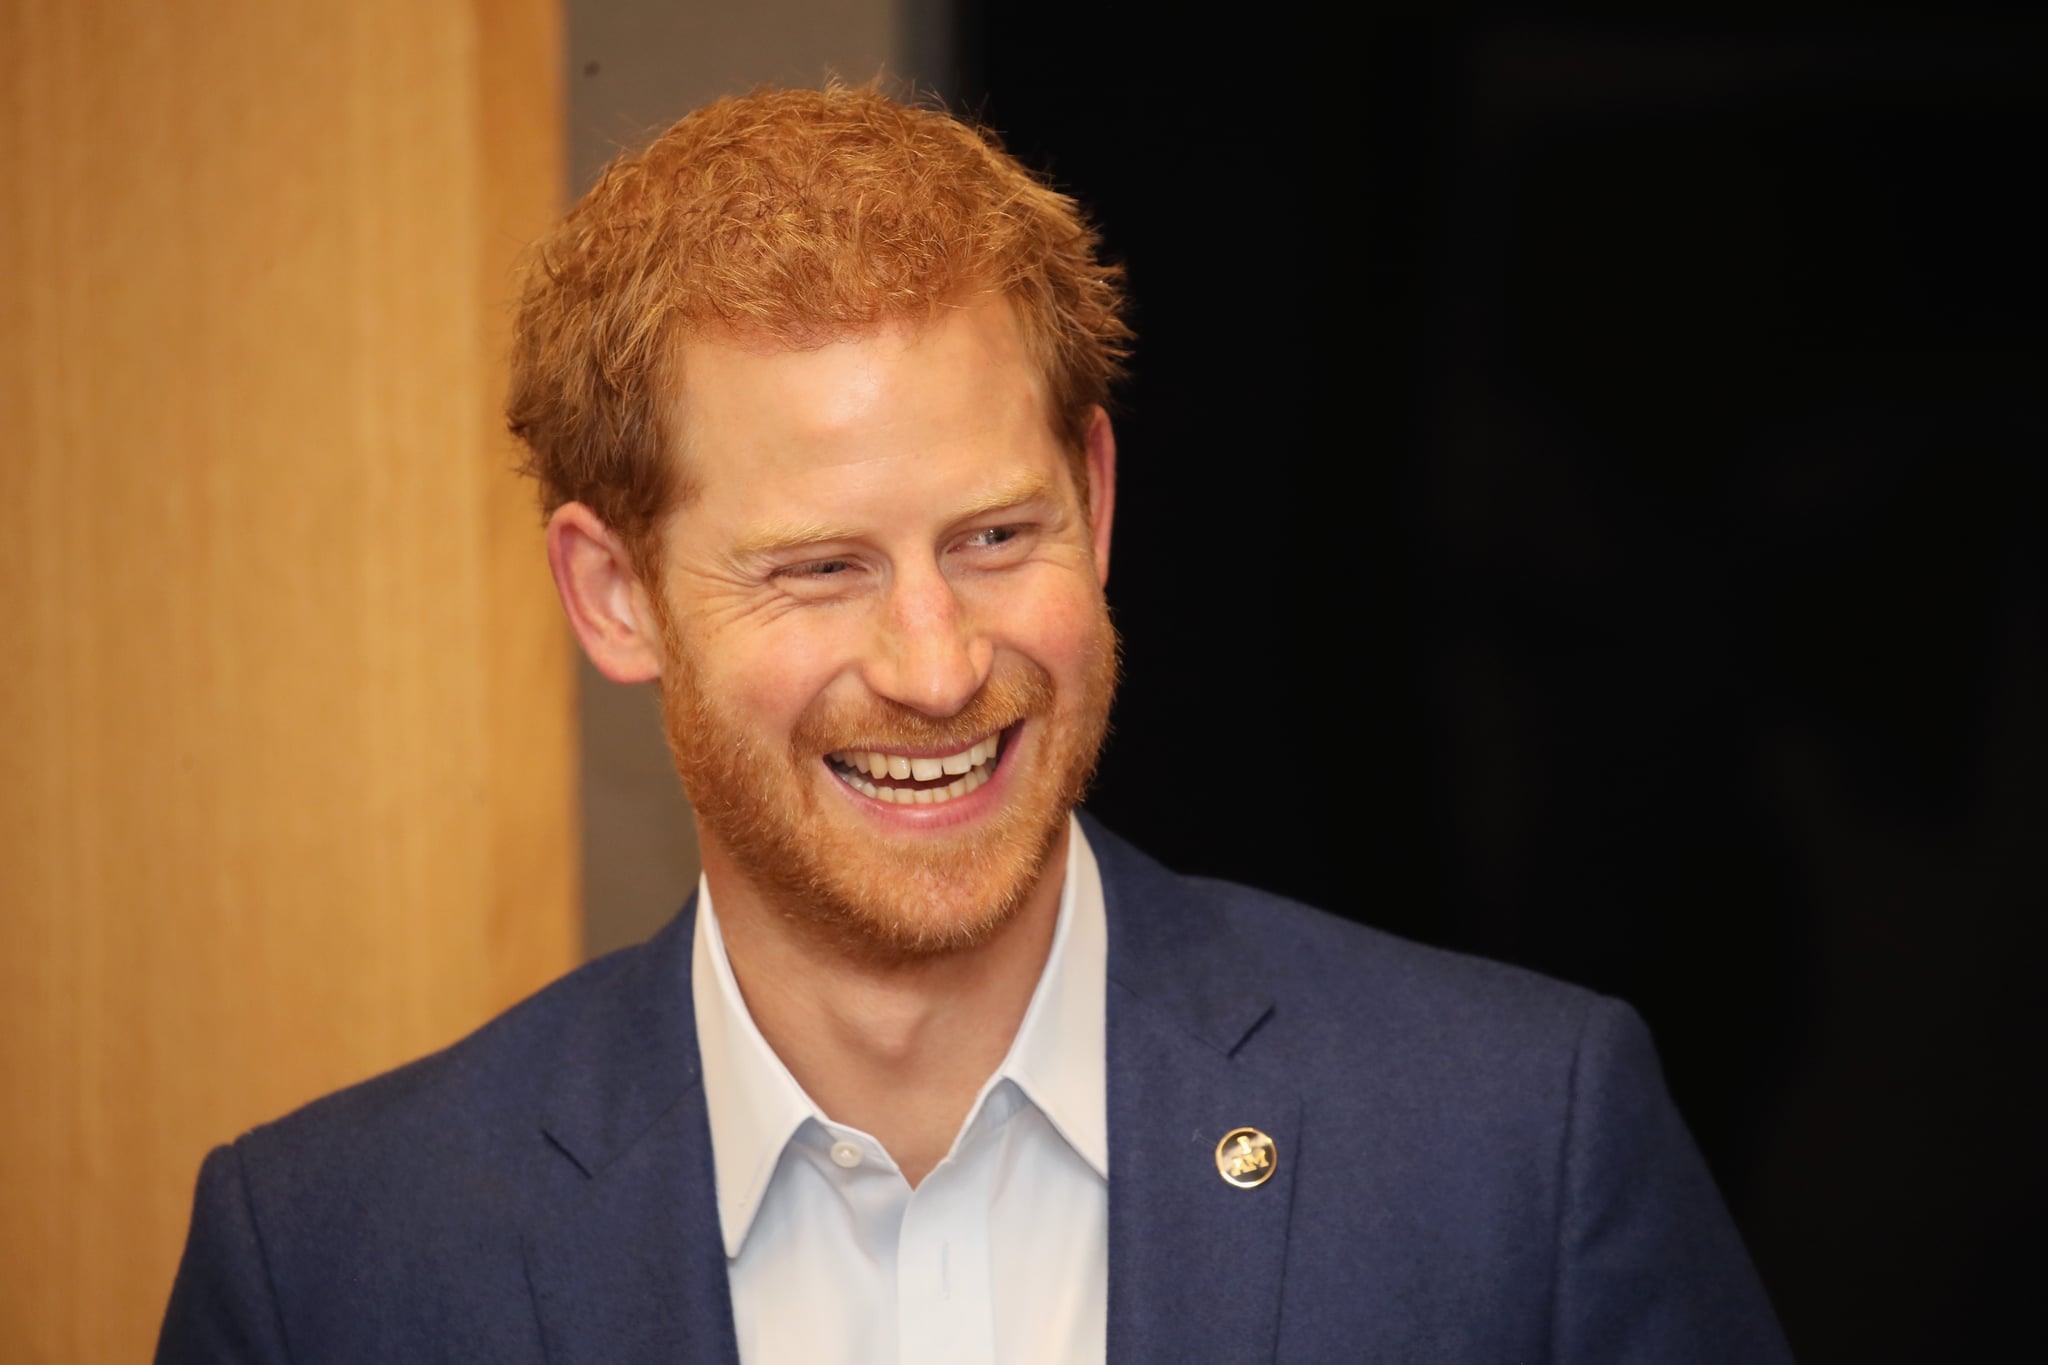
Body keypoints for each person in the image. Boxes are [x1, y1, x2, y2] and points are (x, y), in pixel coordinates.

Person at [156, 83, 1793, 1364]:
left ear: (1095, 493)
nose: (937, 666)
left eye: (995, 538)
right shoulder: (334, 1264)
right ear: (615, 596)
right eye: (818, 568)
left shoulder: (1517, 1143)